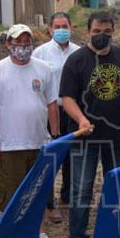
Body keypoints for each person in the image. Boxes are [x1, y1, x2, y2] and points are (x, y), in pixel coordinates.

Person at [0, 24, 63, 238]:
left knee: (40, 191)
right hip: (10, 145)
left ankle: (38, 234)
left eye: (27, 43)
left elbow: (52, 105)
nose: (23, 48)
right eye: (18, 43)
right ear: (8, 44)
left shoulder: (44, 69)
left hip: (39, 143)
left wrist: (55, 137)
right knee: (13, 195)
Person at [60, 11, 120, 238]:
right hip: (85, 139)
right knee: (81, 190)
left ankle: (112, 234)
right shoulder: (76, 61)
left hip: (116, 137)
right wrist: (81, 119)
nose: (101, 36)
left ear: (113, 32)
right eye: (96, 31)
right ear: (87, 32)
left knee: (116, 188)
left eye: (106, 32)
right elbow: (67, 99)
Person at [32, 12, 80, 223]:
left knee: (72, 155)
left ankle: (67, 196)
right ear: (50, 29)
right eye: (57, 26)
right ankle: (49, 204)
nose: (61, 30)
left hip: (74, 111)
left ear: (71, 28)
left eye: (65, 26)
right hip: (51, 111)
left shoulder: (79, 52)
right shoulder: (40, 54)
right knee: (51, 157)